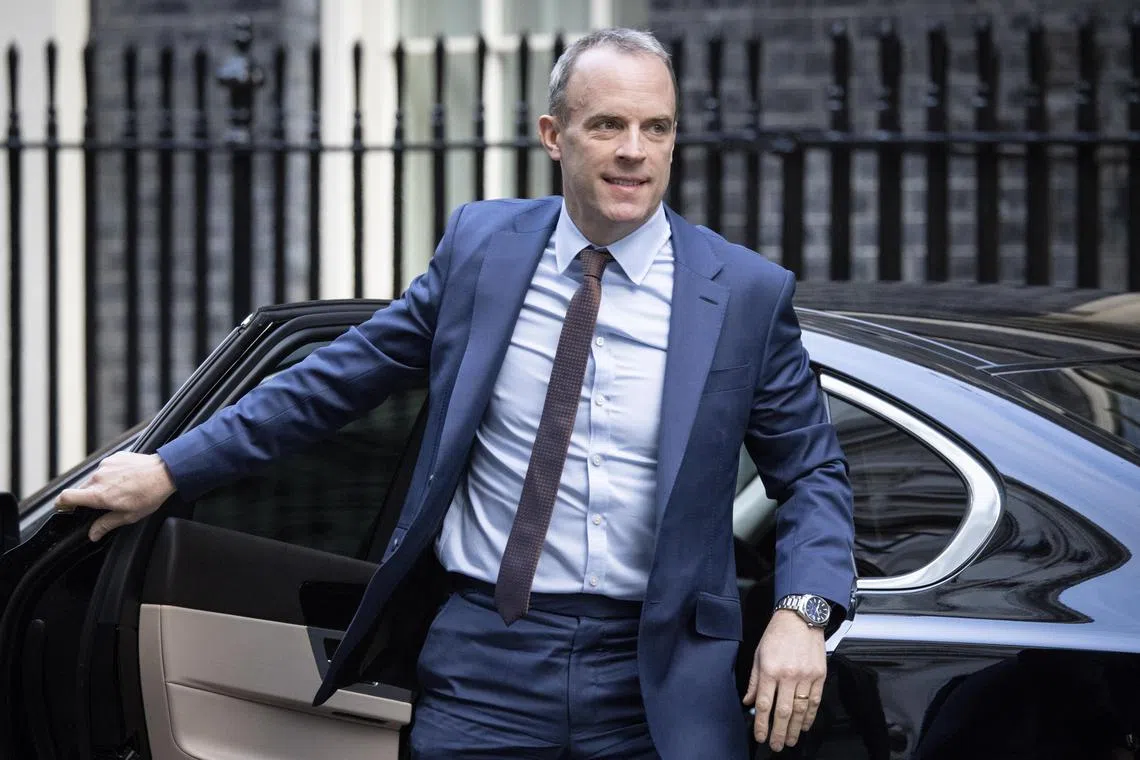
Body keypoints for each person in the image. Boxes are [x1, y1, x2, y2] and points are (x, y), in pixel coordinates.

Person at [57, 28, 855, 759]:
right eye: (606, 125)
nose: (634, 153)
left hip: (658, 671)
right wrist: (169, 469)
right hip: (486, 660)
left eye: (657, 128)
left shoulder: (744, 293)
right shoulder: (483, 251)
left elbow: (811, 474)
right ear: (554, 135)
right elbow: (333, 381)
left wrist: (804, 611)